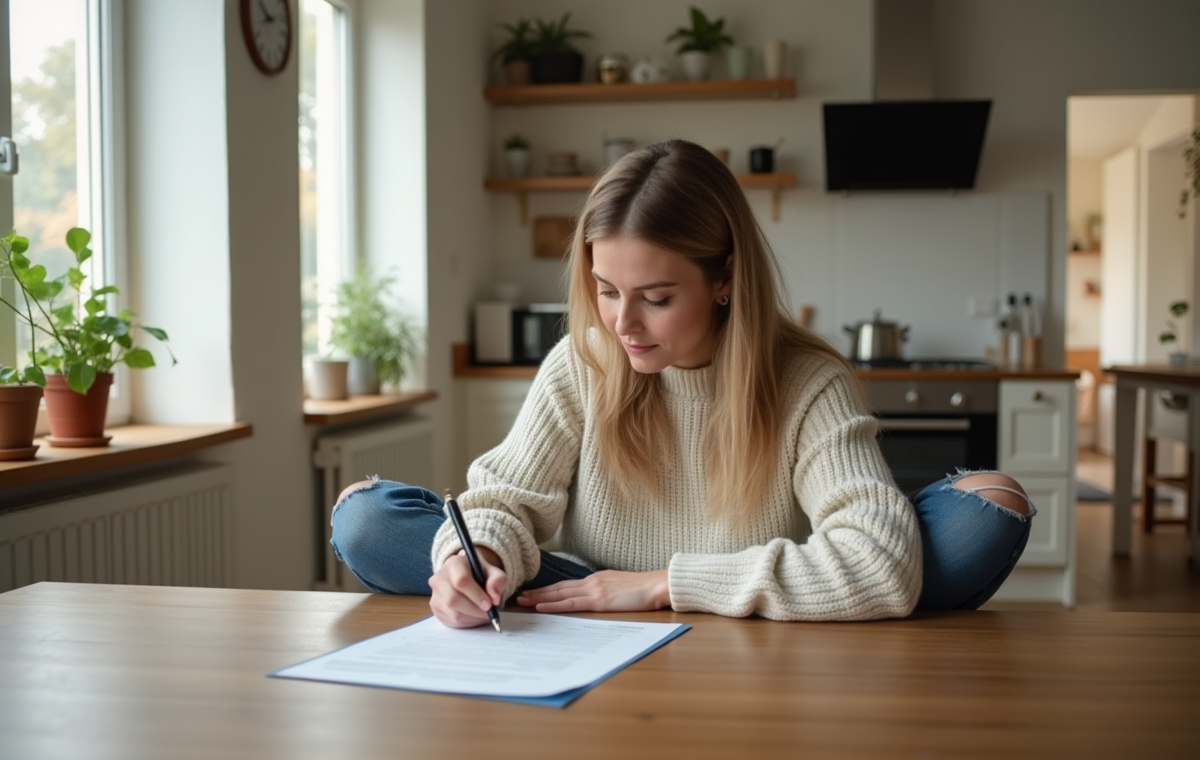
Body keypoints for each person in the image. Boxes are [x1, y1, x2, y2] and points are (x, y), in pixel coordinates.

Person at [331, 139, 1035, 628]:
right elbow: (504, 501)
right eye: (606, 290)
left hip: (693, 594)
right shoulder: (584, 360)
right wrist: (476, 559)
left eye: (656, 298)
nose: (622, 323)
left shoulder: (807, 381)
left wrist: (664, 586)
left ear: (725, 277)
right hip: (583, 589)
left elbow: (878, 561)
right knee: (367, 521)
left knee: (986, 512)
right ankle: (814, 593)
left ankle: (742, 591)